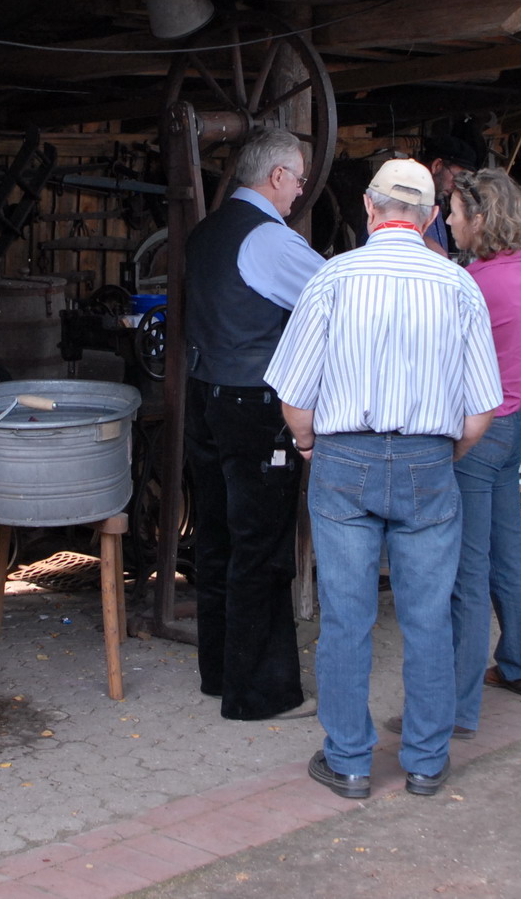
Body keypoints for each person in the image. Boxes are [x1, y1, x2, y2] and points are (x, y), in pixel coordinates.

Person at [267, 159, 502, 801]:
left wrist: (310, 444)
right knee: (427, 616)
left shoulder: (332, 278)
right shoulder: (458, 286)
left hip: (343, 460)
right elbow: (481, 410)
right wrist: (439, 454)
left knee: (347, 617)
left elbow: (294, 397)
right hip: (430, 460)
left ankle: (348, 761)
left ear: (370, 210)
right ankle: (426, 762)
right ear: (430, 218)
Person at [182, 127, 326, 721]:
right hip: (255, 406)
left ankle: (219, 673)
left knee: (215, 541)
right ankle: (258, 695)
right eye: (296, 178)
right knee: (262, 548)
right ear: (274, 177)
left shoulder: (205, 232)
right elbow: (336, 295)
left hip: (205, 397)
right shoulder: (269, 239)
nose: (298, 191)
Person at [444, 168, 521, 723]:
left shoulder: (475, 283)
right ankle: (520, 661)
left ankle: (455, 709)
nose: (451, 222)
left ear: (480, 219)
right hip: (512, 427)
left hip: (477, 435)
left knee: (467, 570)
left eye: (456, 213)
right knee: (509, 550)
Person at [419, 128, 485, 255]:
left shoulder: (437, 200)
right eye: (456, 178)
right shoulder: (408, 199)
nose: (456, 186)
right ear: (437, 165)